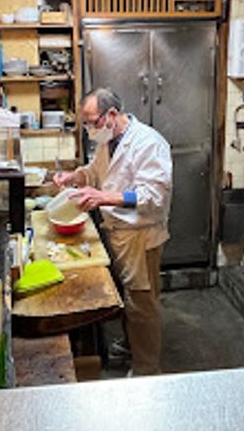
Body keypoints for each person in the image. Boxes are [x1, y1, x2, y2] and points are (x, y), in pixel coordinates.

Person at [54, 88, 172, 376]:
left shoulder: (148, 143)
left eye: (92, 122)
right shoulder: (108, 141)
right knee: (128, 299)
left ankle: (147, 370)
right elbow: (96, 173)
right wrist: (74, 176)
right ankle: (132, 346)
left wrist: (104, 198)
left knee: (142, 304)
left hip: (140, 236)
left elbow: (153, 196)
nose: (89, 129)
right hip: (118, 232)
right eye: (86, 123)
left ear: (112, 114)